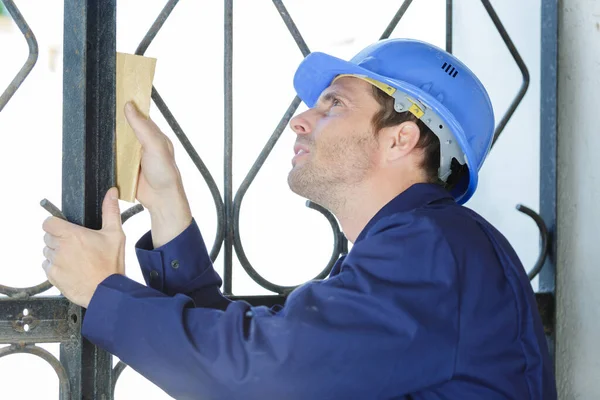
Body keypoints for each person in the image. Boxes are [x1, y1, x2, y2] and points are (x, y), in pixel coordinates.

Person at [41, 38, 557, 399]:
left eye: (334, 103)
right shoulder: (424, 249)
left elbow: (266, 376)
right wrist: (166, 204)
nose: (301, 119)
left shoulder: (433, 249)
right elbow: (276, 356)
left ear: (401, 138)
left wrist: (104, 291)